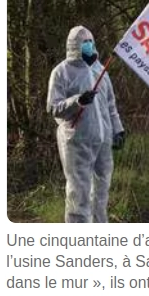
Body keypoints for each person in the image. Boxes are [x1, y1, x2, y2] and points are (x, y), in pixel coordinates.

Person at [46, 26, 125, 223]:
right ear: (74, 46)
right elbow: (53, 107)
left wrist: (118, 130)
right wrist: (78, 101)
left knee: (101, 190)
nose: (88, 45)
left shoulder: (101, 70)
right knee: (79, 192)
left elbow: (110, 105)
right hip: (76, 141)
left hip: (103, 141)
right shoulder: (62, 72)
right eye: (84, 43)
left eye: (90, 41)